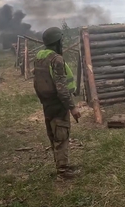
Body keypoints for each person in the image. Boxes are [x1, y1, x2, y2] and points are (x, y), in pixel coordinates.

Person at [33, 27, 81, 180]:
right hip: (58, 103)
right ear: (57, 42)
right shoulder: (56, 59)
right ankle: (63, 170)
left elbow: (37, 82)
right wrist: (72, 107)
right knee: (61, 135)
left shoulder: (40, 57)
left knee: (53, 134)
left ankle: (61, 164)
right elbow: (61, 88)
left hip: (47, 103)